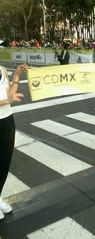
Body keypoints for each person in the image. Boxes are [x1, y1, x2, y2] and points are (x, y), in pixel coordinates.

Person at [0, 63, 27, 220]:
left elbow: (9, 93)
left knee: (4, 163)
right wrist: (6, 100)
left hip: (7, 121)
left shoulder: (2, 69)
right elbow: (7, 98)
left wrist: (16, 75)